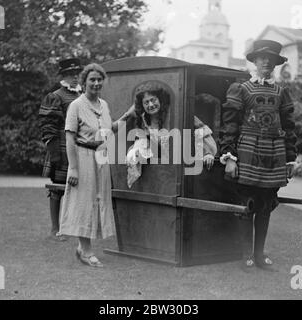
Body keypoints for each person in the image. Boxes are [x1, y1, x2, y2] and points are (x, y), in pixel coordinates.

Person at [219, 40, 297, 271]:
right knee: (248, 204)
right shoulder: (241, 89)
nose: (266, 62)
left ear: (275, 63)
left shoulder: (282, 92)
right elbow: (229, 125)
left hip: (275, 154)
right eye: (262, 58)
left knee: (265, 205)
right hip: (248, 151)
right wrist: (229, 157)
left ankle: (259, 254)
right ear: (254, 61)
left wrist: (291, 159)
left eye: (270, 59)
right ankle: (246, 256)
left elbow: (290, 127)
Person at [57, 63, 135, 267]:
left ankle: (83, 248)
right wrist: (73, 168)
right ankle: (87, 252)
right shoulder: (76, 105)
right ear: (84, 82)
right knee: (85, 203)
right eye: (92, 79)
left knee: (98, 201)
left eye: (99, 79)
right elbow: (69, 138)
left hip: (101, 158)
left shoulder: (104, 105)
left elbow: (109, 130)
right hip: (82, 158)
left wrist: (128, 115)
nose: (96, 83)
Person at [126, 81, 217, 187]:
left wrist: (208, 153)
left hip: (183, 170)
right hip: (161, 172)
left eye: (153, 100)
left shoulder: (177, 113)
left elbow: (201, 131)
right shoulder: (144, 121)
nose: (151, 105)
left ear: (160, 99)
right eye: (146, 102)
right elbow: (143, 144)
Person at [39, 58, 83, 241]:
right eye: (70, 74)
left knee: (77, 188)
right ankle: (55, 229)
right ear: (63, 76)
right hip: (62, 149)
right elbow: (47, 127)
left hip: (80, 148)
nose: (74, 77)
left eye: (77, 74)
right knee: (57, 189)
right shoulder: (55, 96)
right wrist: (55, 152)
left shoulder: (83, 96)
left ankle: (70, 226)